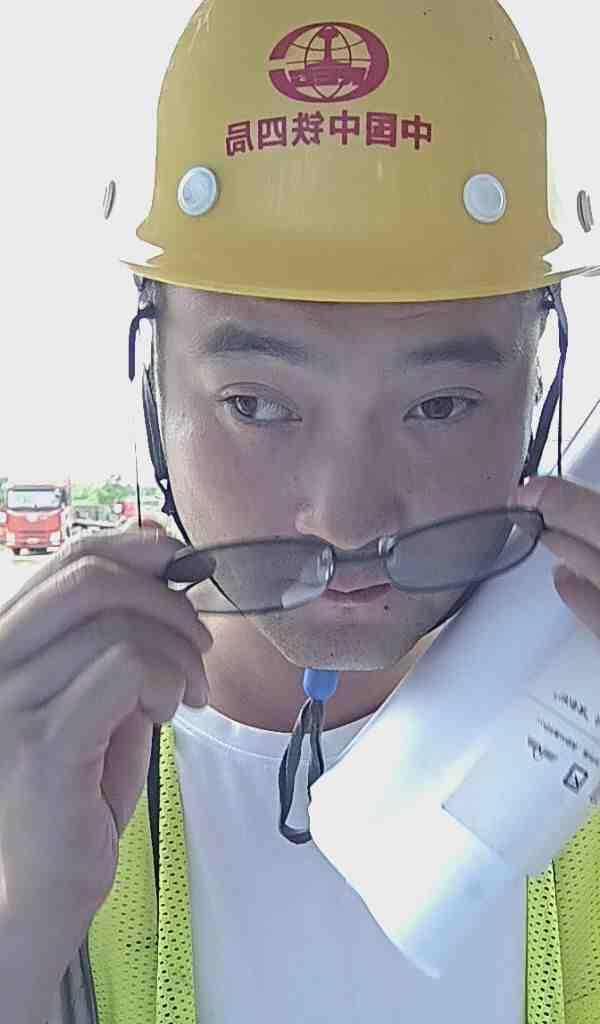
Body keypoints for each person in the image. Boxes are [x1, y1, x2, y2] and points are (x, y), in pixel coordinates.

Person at [1, 1, 599, 1022]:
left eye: (439, 405)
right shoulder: (36, 764)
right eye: (257, 406)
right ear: (155, 381)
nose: (346, 518)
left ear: (537, 388)